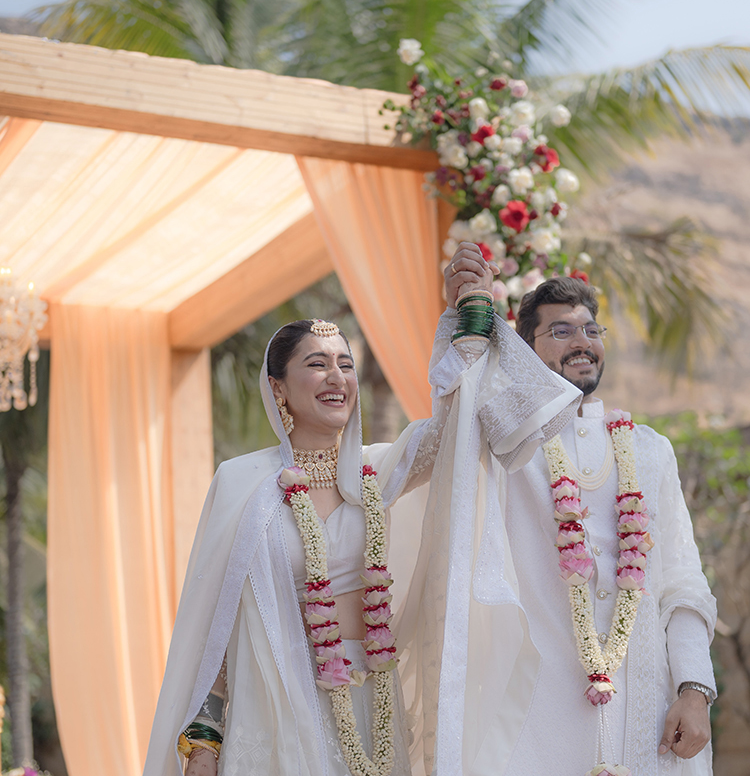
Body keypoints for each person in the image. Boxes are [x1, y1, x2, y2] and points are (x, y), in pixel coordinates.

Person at [141, 250, 579, 776]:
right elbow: (213, 632)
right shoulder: (244, 483)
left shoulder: (375, 472)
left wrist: (472, 317)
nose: (337, 377)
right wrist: (204, 743)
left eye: (345, 364)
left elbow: (452, 430)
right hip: (275, 708)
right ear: (277, 388)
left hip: (373, 705)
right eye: (317, 364)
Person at [424, 253, 717, 776]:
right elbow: (455, 411)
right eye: (560, 330)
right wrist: (472, 315)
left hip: (648, 716)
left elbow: (682, 580)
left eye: (591, 328)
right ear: (525, 350)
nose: (583, 341)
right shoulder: (508, 447)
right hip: (538, 721)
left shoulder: (651, 450)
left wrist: (694, 689)